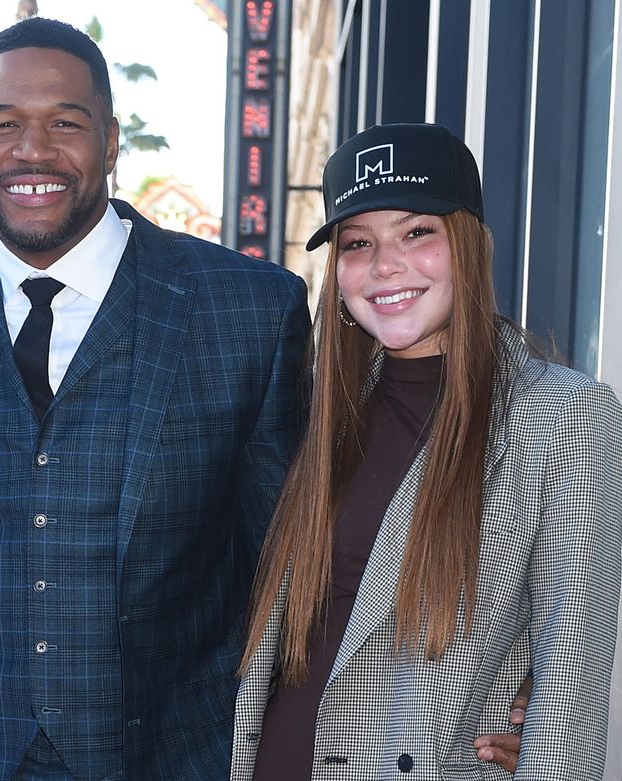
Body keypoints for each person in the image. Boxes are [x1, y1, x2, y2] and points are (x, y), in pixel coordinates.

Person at [0, 16, 311, 780]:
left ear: (111, 142)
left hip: (173, 753)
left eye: (64, 123)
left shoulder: (246, 310)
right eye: (2, 124)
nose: (31, 151)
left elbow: (295, 563)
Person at [232, 122, 622, 780]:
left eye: (417, 232)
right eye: (358, 243)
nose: (385, 264)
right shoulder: (328, 412)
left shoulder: (565, 416)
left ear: (467, 243)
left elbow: (570, 687)